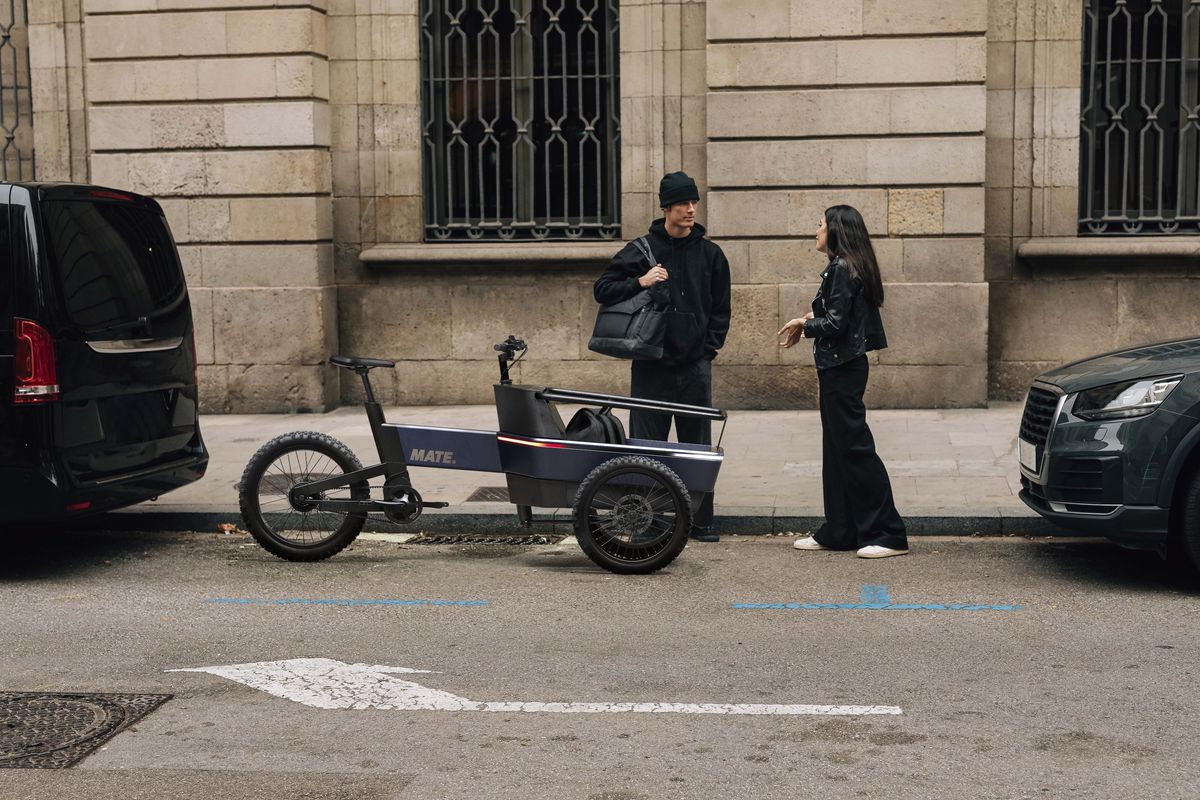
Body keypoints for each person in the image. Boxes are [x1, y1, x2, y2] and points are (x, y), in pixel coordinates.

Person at [593, 171, 732, 542]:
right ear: (666, 207)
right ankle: (649, 524)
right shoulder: (641, 251)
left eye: (693, 202)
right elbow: (602, 290)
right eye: (683, 203)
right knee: (647, 449)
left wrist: (707, 350)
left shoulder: (711, 255)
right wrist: (641, 281)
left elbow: (721, 309)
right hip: (651, 365)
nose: (691, 209)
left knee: (696, 447)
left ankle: (700, 522)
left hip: (694, 366)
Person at [777, 205, 908, 558]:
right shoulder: (848, 266)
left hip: (842, 368)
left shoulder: (841, 268)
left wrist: (805, 325)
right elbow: (845, 314)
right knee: (837, 451)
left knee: (854, 450)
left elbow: (836, 324)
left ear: (835, 230)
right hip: (842, 367)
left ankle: (889, 534)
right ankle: (841, 530)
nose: (816, 230)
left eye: (820, 224)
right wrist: (810, 317)